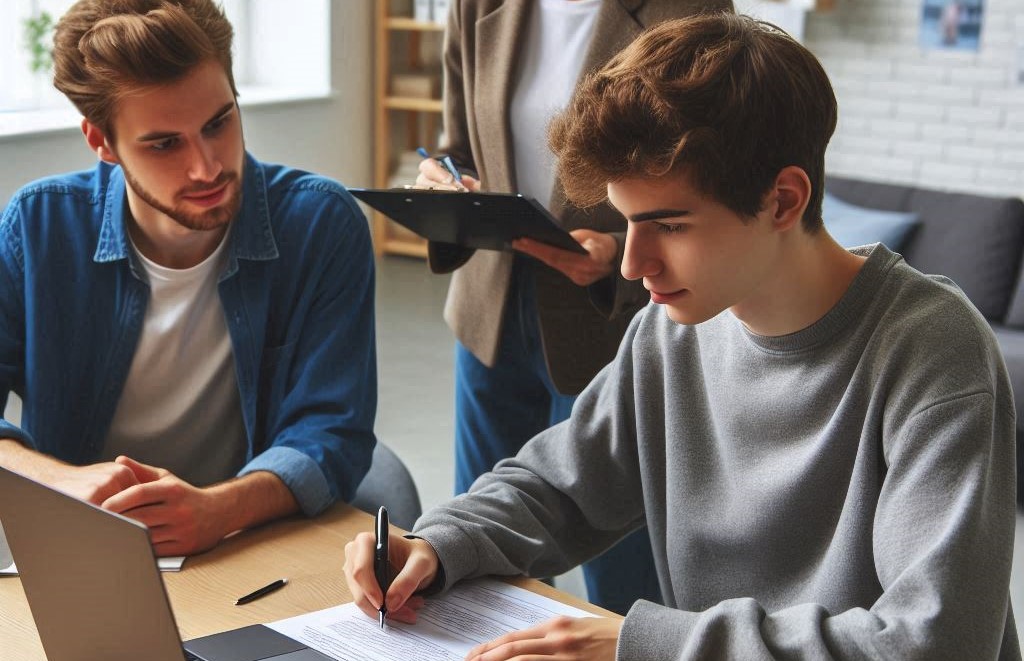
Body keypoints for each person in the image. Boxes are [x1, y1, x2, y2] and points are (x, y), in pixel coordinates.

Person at [345, 12, 1020, 659]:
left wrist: (641, 647)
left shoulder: (935, 353)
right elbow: (557, 486)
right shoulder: (669, 337)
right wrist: (439, 541)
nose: (633, 264)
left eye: (669, 226)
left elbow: (933, 643)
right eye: (626, 222)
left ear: (783, 199)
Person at [0, 0, 377, 558]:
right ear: (102, 142)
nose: (207, 168)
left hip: (249, 539)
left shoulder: (321, 223)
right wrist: (61, 482)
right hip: (86, 546)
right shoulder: (39, 226)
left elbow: (331, 432)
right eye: (164, 143)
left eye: (218, 123)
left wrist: (219, 510)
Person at [417, 0, 732, 615]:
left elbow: (711, 184)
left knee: (620, 567)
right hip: (492, 306)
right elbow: (460, 148)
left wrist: (616, 252)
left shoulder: (691, 10)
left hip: (615, 317)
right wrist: (441, 183)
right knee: (479, 542)